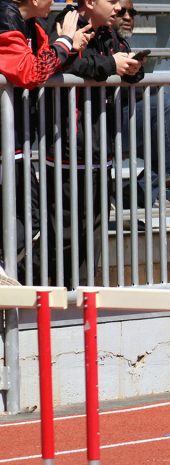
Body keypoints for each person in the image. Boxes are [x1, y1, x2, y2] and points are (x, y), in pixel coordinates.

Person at [46, 0, 143, 288]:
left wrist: (133, 67)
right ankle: (50, 300)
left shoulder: (108, 32)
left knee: (93, 238)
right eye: (112, 2)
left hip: (102, 156)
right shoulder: (68, 23)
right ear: (89, 2)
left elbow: (123, 62)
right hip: (68, 154)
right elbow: (70, 63)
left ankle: (84, 300)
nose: (118, 9)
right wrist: (112, 65)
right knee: (63, 240)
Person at [0, 0, 90, 285]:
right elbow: (30, 73)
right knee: (24, 222)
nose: (56, 1)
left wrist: (71, 45)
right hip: (7, 144)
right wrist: (64, 41)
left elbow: (46, 63)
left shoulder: (31, 24)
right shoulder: (4, 17)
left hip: (14, 143)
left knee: (28, 223)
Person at [114, 0, 170, 206]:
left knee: (168, 109)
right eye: (122, 12)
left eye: (132, 13)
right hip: (98, 124)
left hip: (120, 115)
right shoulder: (96, 36)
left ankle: (141, 190)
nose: (128, 17)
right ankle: (169, 179)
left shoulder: (121, 42)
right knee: (166, 105)